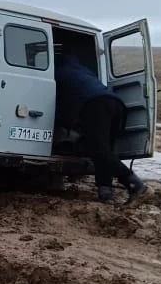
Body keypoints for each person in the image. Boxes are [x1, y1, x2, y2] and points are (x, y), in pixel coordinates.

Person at [54, 53, 148, 203]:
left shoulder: (59, 73)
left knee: (98, 149)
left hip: (97, 106)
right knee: (104, 152)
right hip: (117, 105)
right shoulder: (83, 71)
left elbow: (58, 102)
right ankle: (106, 192)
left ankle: (134, 182)